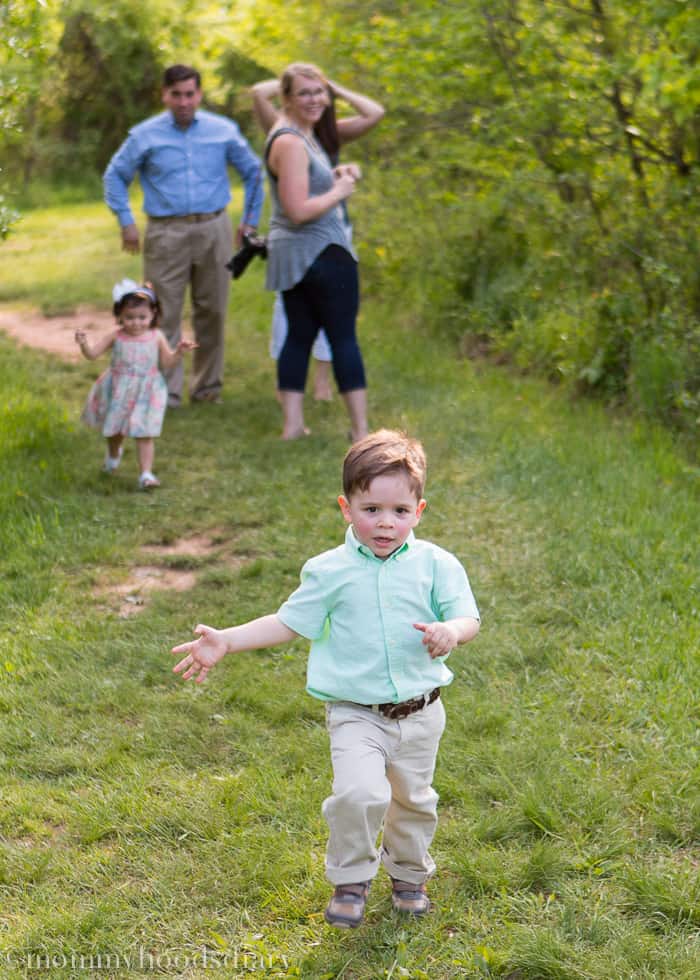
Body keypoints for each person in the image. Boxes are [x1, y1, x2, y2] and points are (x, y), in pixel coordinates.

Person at [171, 429, 480, 927]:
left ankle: (408, 874)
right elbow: (289, 622)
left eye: (399, 511)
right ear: (346, 507)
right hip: (357, 713)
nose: (385, 523)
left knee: (413, 801)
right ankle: (351, 877)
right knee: (361, 795)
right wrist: (227, 638)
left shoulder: (437, 565)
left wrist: (451, 631)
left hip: (422, 712)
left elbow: (469, 618)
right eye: (371, 509)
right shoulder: (329, 571)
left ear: (418, 511)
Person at [103, 64, 264, 407]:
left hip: (214, 228)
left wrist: (249, 220)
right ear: (164, 95)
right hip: (166, 231)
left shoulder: (223, 131)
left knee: (213, 310)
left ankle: (207, 389)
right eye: (176, 94)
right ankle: (167, 392)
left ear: (200, 94)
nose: (183, 101)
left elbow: (253, 172)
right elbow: (114, 175)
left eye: (190, 94)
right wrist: (126, 221)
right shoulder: (145, 135)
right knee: (164, 313)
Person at [251, 76, 384, 404]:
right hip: (302, 237)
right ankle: (297, 403)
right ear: (289, 98)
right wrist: (294, 75)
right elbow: (257, 92)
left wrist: (332, 85)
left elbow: (374, 112)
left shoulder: (328, 132)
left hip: (333, 232)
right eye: (304, 93)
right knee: (299, 324)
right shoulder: (285, 133)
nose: (313, 99)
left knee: (332, 324)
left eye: (318, 93)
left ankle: (321, 384)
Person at [75, 279, 197, 489]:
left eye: (142, 317)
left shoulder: (156, 336)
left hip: (147, 391)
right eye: (129, 317)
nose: (136, 322)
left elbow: (167, 363)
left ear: (153, 314)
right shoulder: (116, 336)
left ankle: (146, 475)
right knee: (115, 432)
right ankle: (114, 455)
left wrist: (179, 353)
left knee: (145, 433)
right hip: (119, 389)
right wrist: (84, 344)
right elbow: (93, 355)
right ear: (119, 315)